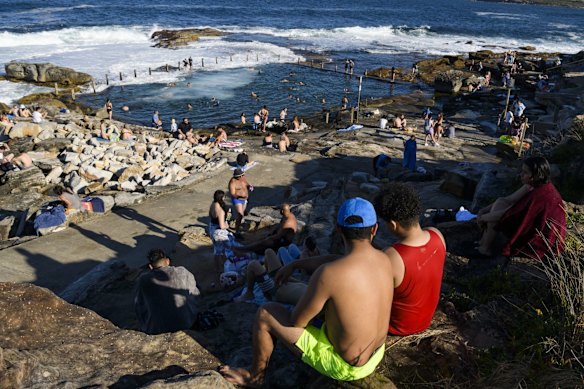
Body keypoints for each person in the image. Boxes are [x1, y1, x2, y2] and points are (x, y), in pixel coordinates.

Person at [220, 198, 392, 385]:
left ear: (339, 229)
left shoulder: (329, 274)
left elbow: (297, 322)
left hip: (346, 366)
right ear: (374, 229)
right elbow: (339, 259)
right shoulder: (385, 260)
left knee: (266, 313)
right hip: (375, 354)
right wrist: (297, 263)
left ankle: (254, 377)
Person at [374, 183, 446, 335]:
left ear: (393, 224)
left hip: (398, 327)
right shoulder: (437, 235)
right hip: (425, 320)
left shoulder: (392, 256)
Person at [476, 156, 566, 260]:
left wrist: (482, 218)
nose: (521, 175)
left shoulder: (539, 195)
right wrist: (483, 211)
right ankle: (482, 243)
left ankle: (484, 249)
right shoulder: (533, 184)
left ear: (535, 176)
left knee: (494, 217)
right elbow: (508, 200)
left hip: (542, 241)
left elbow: (506, 214)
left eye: (525, 173)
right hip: (534, 226)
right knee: (500, 203)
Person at [134, 249, 200, 335]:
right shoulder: (182, 272)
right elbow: (196, 294)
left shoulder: (143, 280)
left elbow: (139, 306)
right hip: (187, 322)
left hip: (157, 328)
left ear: (150, 266)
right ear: (167, 261)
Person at [209, 190, 230, 272]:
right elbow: (222, 226)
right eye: (224, 196)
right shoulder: (220, 211)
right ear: (221, 198)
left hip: (212, 227)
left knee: (216, 250)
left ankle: (217, 267)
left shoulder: (213, 204)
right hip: (218, 231)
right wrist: (227, 225)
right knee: (225, 249)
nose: (225, 198)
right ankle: (222, 268)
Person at [229, 168, 253, 234]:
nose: (243, 176)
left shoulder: (243, 178)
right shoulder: (232, 182)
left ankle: (237, 223)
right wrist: (240, 197)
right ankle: (237, 231)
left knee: (241, 215)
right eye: (241, 176)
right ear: (238, 176)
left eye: (243, 175)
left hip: (245, 200)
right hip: (237, 200)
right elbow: (232, 193)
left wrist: (249, 187)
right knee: (240, 215)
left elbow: (246, 184)